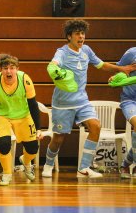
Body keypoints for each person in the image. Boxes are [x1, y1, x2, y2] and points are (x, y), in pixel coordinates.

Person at [42, 19, 136, 178]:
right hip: (63, 103)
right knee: (58, 138)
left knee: (95, 126)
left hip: (82, 101)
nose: (81, 37)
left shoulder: (86, 50)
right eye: (77, 33)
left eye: (83, 33)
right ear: (69, 36)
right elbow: (54, 64)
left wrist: (122, 68)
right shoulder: (62, 52)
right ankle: (48, 165)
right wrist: (54, 69)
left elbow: (102, 65)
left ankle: (83, 168)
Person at [0, 54, 41, 186]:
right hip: (2, 116)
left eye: (12, 68)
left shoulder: (25, 79)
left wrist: (38, 128)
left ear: (17, 69)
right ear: (1, 70)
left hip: (23, 115)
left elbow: (33, 105)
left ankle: (26, 162)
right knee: (4, 144)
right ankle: (7, 173)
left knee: (33, 148)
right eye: (5, 68)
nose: (8, 71)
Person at [109, 47, 136, 178]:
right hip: (130, 100)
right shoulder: (131, 52)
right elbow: (119, 70)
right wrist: (115, 77)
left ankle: (125, 164)